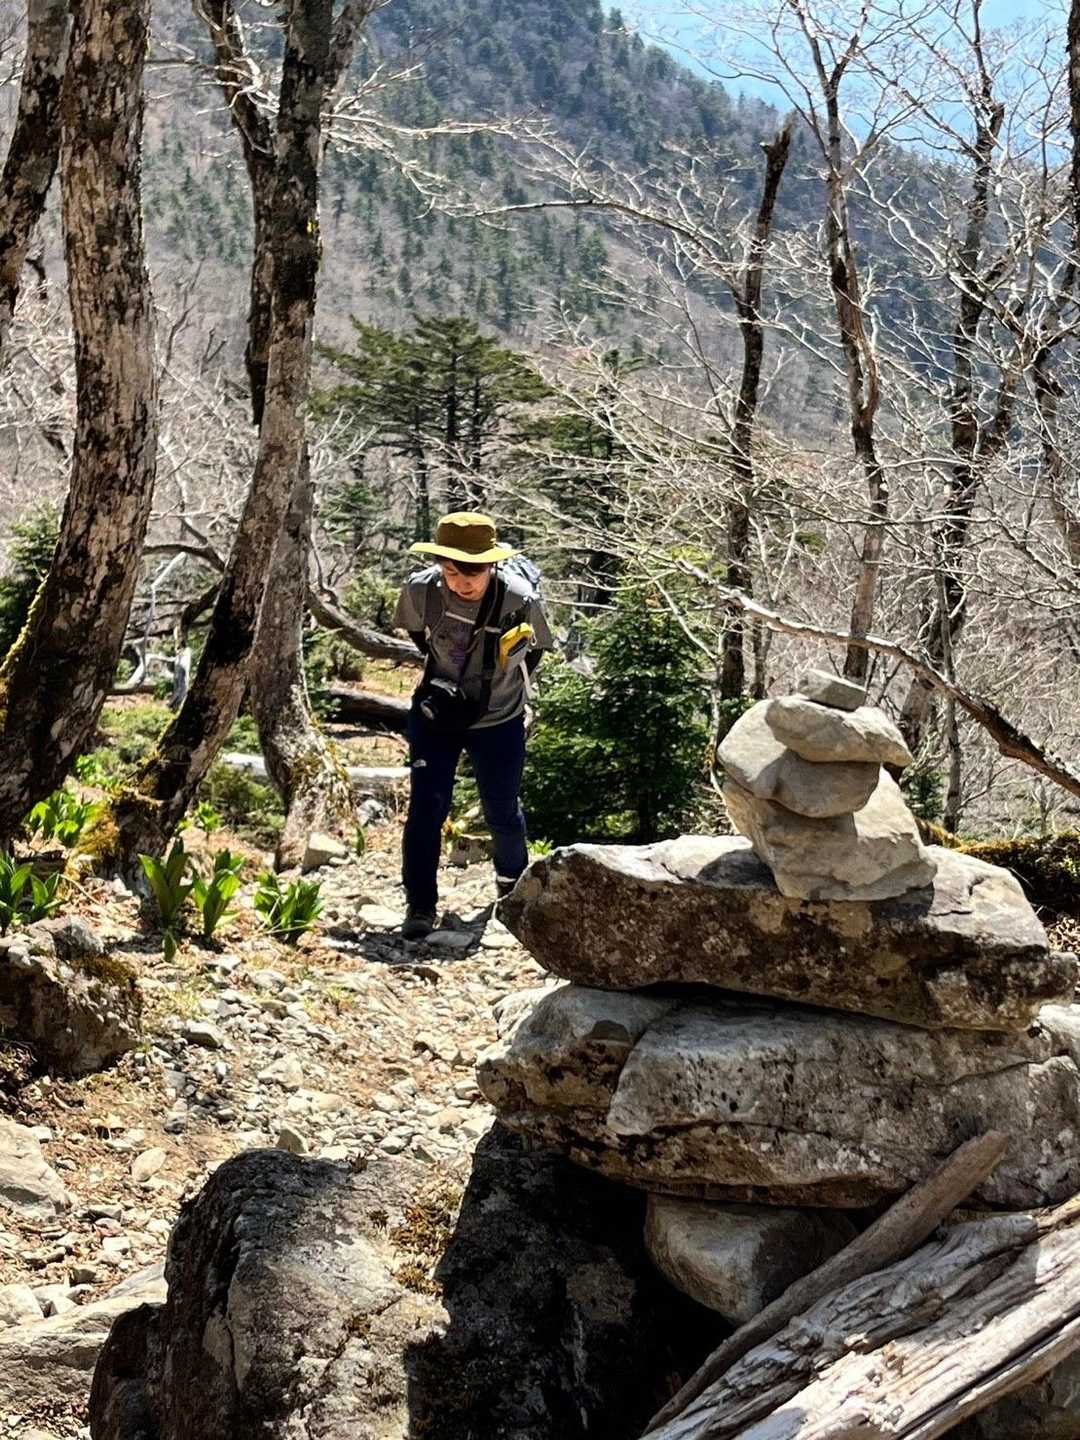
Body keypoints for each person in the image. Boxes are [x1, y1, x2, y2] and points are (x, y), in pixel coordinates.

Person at [393, 512, 554, 939]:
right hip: (437, 713)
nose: (462, 583)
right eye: (452, 572)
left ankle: (513, 892)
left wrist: (495, 682)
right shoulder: (421, 590)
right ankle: (420, 904)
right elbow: (418, 635)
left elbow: (537, 649)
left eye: (473, 573)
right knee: (426, 808)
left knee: (501, 809)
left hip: (500, 717)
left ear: (492, 565)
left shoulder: (519, 598)